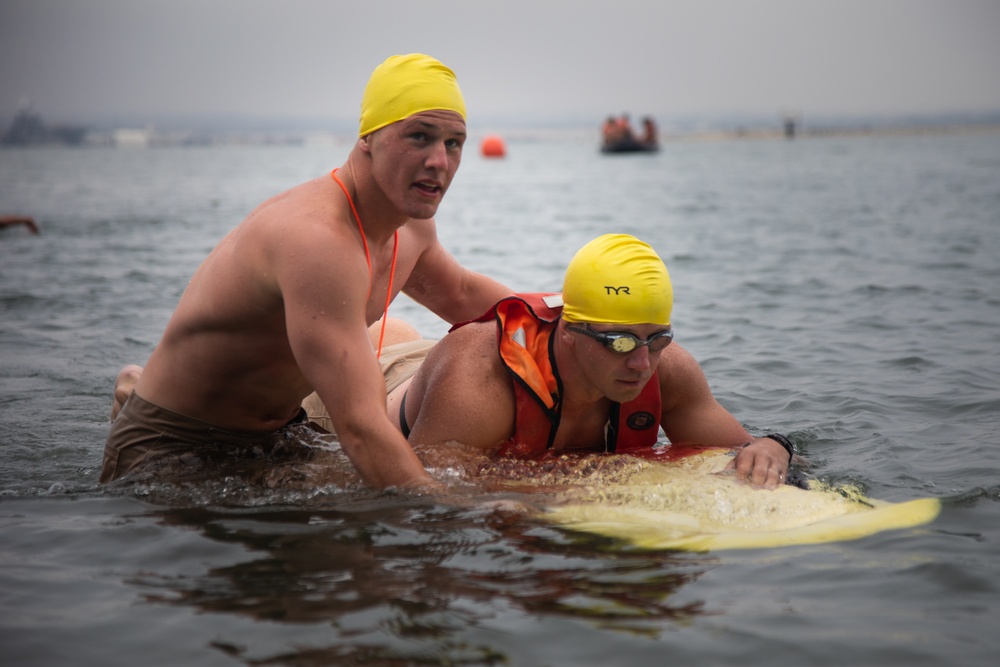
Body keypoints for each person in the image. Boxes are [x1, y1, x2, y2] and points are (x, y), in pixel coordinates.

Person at [102, 54, 512, 490]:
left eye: (454, 143)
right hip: (174, 445)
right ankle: (143, 391)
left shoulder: (408, 226)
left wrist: (571, 316)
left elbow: (463, 295)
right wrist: (457, 518)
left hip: (280, 431)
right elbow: (360, 428)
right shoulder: (319, 241)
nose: (439, 161)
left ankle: (138, 383)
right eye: (419, 136)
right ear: (368, 138)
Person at [305, 234, 795, 489]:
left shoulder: (668, 371)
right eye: (619, 342)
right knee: (364, 357)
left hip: (428, 373)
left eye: (657, 339)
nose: (642, 363)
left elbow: (742, 450)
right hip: (382, 389)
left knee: (408, 338)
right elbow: (431, 497)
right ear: (567, 331)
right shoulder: (477, 380)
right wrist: (578, 486)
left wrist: (774, 447)